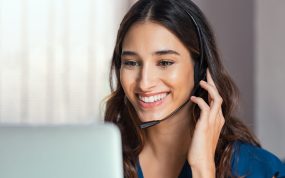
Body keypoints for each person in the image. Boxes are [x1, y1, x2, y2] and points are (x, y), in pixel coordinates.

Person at [104, 0, 285, 177]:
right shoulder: (100, 157)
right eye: (131, 63)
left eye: (165, 62)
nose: (144, 83)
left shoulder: (260, 169)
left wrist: (203, 168)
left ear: (200, 69)